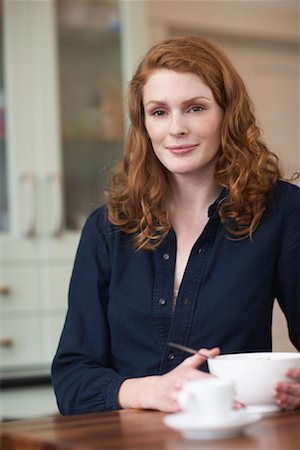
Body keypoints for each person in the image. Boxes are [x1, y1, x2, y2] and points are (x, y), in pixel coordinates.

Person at [51, 35, 300, 415]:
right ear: (144, 124)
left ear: (227, 113)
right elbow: (71, 379)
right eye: (159, 112)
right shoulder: (107, 228)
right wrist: (149, 391)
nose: (176, 129)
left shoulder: (282, 211)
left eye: (195, 108)